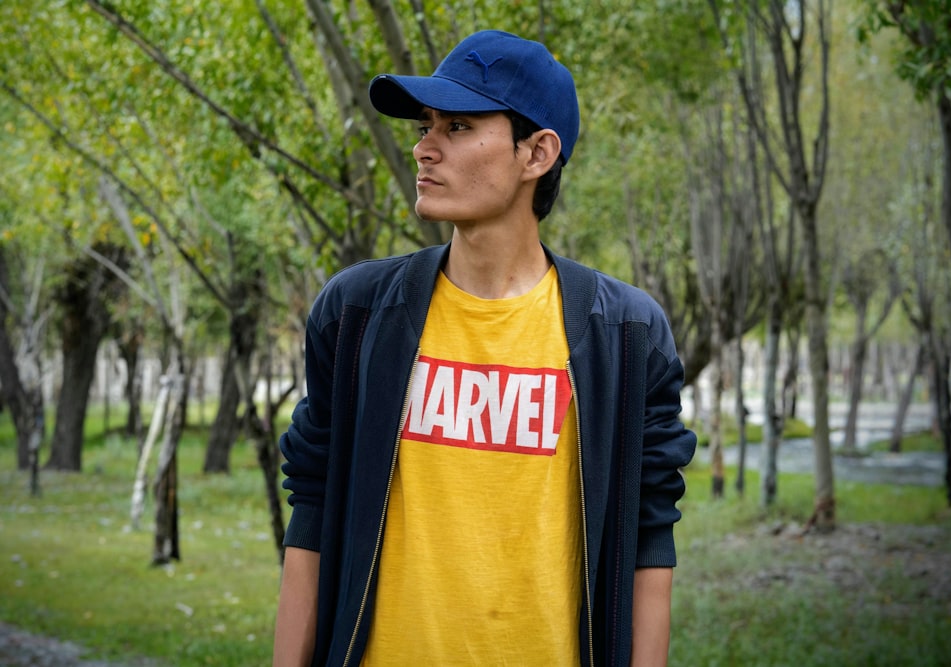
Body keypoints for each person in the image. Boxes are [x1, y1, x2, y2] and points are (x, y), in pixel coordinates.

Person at [272, 29, 697, 667]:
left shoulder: (626, 337)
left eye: (460, 127)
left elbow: (647, 543)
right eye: (425, 126)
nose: (425, 149)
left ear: (537, 153)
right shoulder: (358, 314)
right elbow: (313, 512)